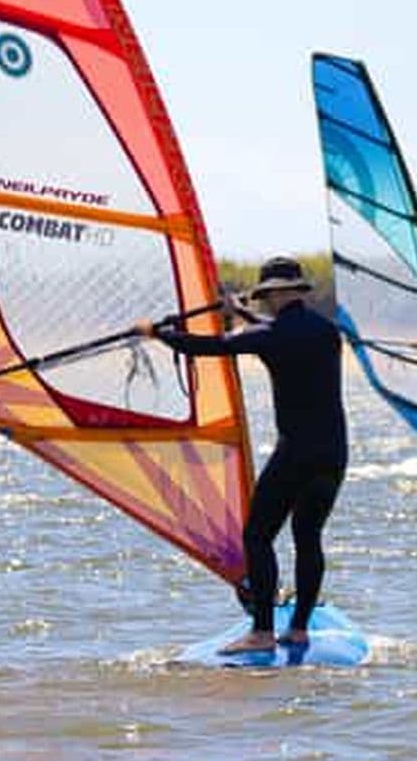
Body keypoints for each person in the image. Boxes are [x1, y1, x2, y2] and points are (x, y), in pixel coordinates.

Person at [135, 256, 347, 654]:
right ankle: (299, 628)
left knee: (257, 535)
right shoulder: (327, 332)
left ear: (280, 293)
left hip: (296, 452)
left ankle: (263, 632)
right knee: (308, 536)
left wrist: (160, 334)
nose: (264, 301)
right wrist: (241, 311)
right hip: (334, 453)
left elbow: (211, 347)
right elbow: (273, 330)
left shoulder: (270, 336)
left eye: (267, 295)